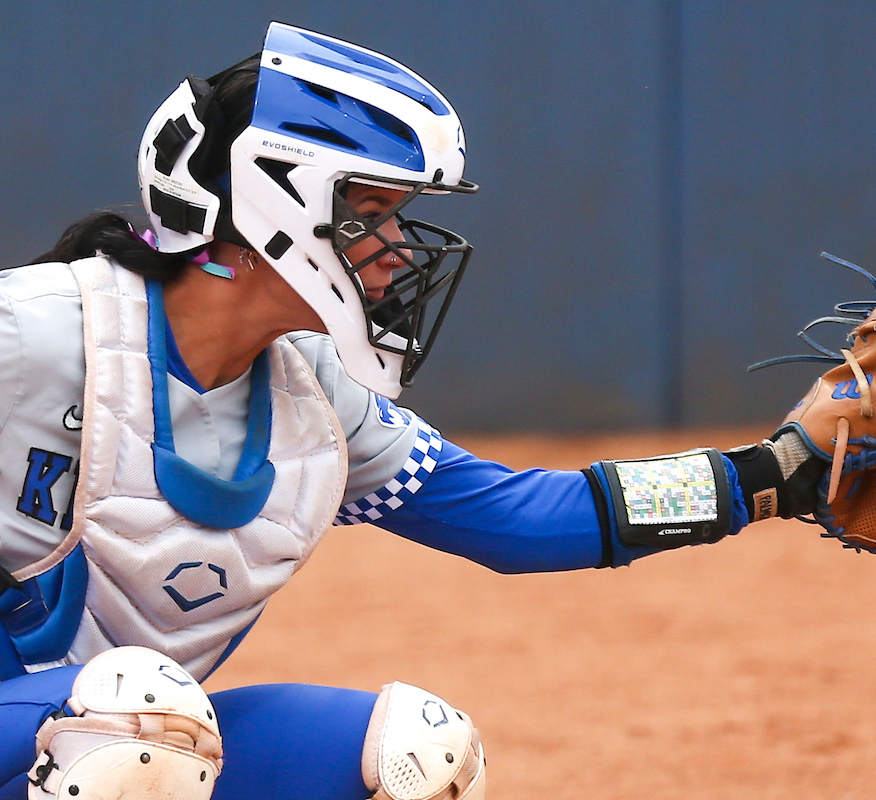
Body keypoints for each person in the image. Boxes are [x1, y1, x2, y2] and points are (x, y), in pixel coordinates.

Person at [0, 22, 823, 800]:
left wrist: (773, 474)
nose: (397, 248)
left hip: (110, 737)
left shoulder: (317, 398)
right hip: (94, 728)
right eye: (372, 213)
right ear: (271, 203)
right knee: (136, 715)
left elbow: (526, 519)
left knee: (419, 751)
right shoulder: (36, 330)